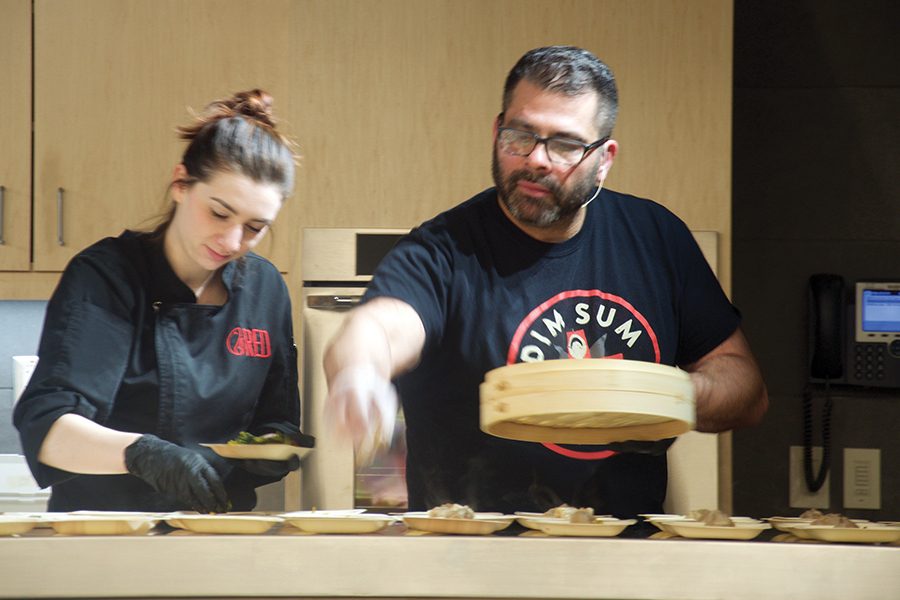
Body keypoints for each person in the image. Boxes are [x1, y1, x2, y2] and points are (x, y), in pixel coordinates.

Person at [324, 46, 768, 519]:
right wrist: (359, 371)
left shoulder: (657, 238)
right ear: (497, 131)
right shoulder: (444, 249)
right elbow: (379, 327)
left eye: (565, 145)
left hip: (624, 559)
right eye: (520, 135)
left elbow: (745, 388)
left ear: (604, 158)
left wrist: (659, 394)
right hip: (468, 556)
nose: (536, 159)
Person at [14, 89, 313, 513]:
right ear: (180, 183)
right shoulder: (107, 277)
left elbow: (276, 421)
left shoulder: (265, 289)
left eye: (254, 227)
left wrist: (273, 451)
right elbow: (47, 430)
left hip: (218, 532)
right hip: (105, 536)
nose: (231, 241)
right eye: (219, 213)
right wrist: (141, 454)